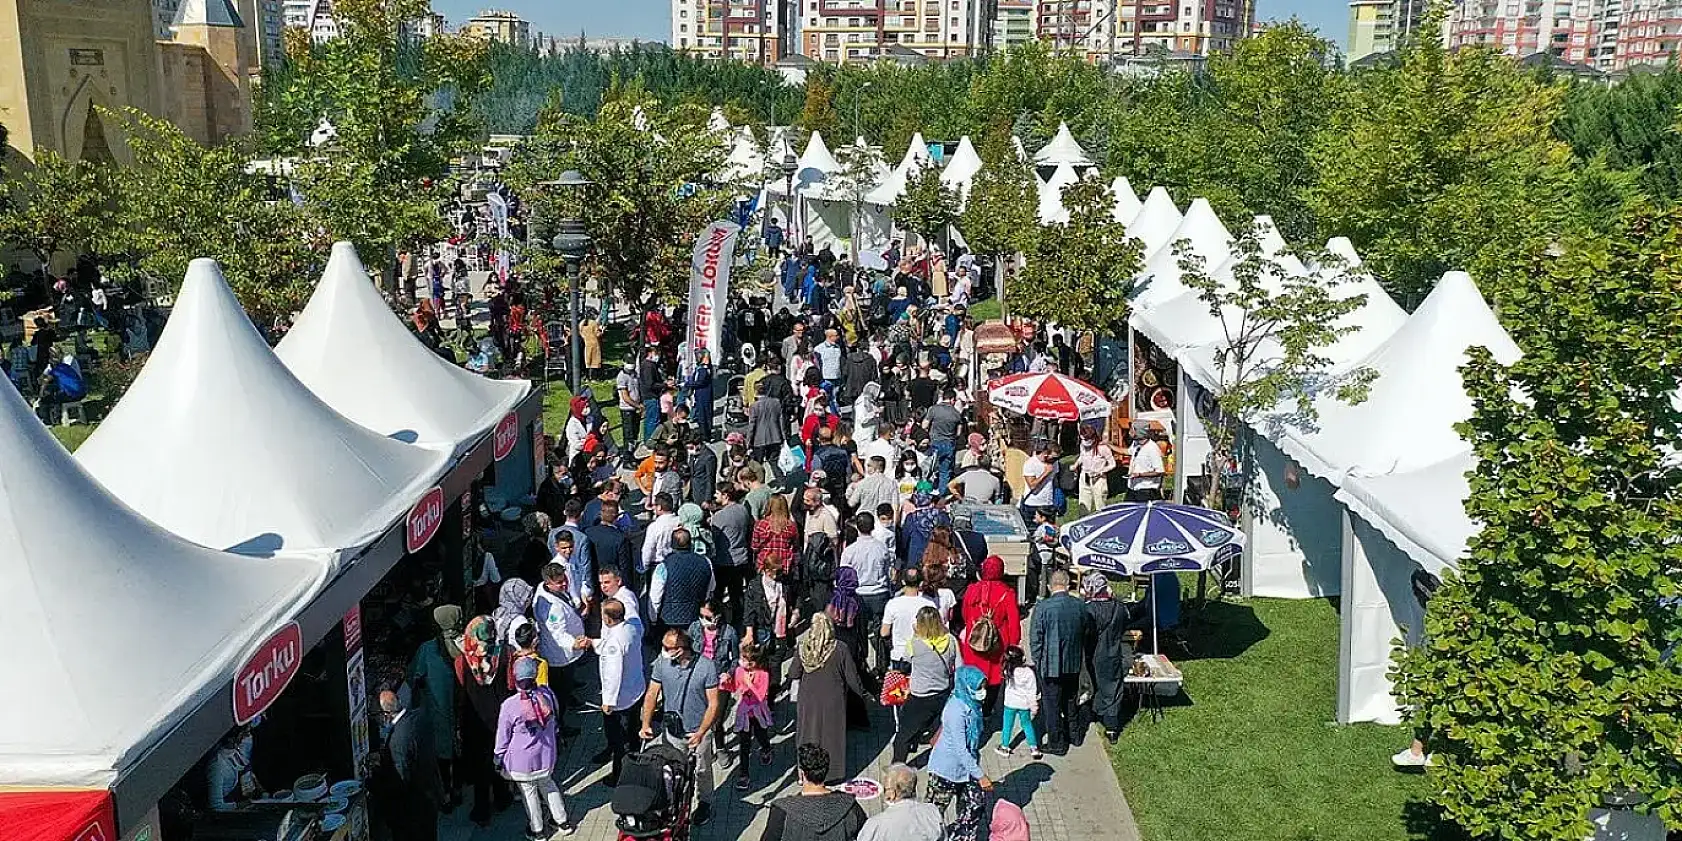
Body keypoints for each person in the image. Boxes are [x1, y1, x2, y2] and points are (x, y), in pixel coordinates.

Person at [640, 629, 722, 825]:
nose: (664, 651)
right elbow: (652, 694)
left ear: (681, 649)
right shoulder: (662, 663)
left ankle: (704, 802)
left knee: (702, 770)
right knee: (672, 769)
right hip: (673, 730)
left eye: (668, 648)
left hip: (698, 732)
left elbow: (713, 703)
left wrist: (702, 732)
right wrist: (645, 723)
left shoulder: (706, 667)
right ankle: (673, 803)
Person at [494, 658, 575, 839]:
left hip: (521, 763)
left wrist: (498, 758)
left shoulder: (510, 705)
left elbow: (502, 738)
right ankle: (563, 822)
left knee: (529, 794)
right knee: (549, 785)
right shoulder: (547, 695)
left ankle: (537, 831)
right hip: (546, 757)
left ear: (515, 678)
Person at [788, 612, 867, 783]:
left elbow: (793, 672)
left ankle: (804, 773)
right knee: (831, 737)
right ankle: (831, 774)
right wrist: (860, 697)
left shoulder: (803, 647)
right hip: (834, 700)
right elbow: (852, 679)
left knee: (807, 735)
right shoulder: (840, 648)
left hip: (808, 699)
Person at [454, 616, 515, 824]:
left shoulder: (463, 661)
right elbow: (509, 684)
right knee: (498, 758)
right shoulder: (504, 654)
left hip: (475, 720)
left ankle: (482, 811)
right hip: (500, 716)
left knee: (480, 766)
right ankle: (502, 797)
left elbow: (462, 690)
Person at [580, 597, 645, 784]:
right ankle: (635, 756)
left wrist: (608, 701)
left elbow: (613, 673)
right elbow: (610, 644)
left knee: (619, 740)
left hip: (621, 699)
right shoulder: (630, 628)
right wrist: (593, 643)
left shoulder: (614, 642)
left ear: (608, 619)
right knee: (632, 731)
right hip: (635, 689)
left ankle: (620, 774)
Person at [925, 666, 994, 841]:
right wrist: (980, 775)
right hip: (946, 770)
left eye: (983, 687)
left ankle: (960, 837)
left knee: (975, 806)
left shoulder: (973, 704)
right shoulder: (955, 710)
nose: (983, 692)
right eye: (979, 688)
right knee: (932, 815)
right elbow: (960, 749)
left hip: (966, 769)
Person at [1029, 570, 1091, 754]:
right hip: (1073, 662)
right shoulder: (1079, 606)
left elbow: (1035, 639)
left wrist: (1038, 663)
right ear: (1068, 585)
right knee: (1071, 700)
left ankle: (1056, 742)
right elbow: (1086, 631)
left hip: (1050, 666)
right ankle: (1075, 735)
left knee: (1052, 705)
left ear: (1049, 586)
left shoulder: (1043, 607)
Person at [408, 606, 463, 811]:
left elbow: (413, 675)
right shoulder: (468, 644)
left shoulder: (428, 649)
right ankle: (459, 788)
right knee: (460, 751)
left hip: (439, 712)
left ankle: (446, 794)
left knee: (441, 756)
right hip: (464, 710)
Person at [759, 743, 868, 841]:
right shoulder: (849, 806)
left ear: (802, 774)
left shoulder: (781, 811)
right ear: (825, 772)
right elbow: (868, 834)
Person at [892, 606, 958, 764]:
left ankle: (897, 768)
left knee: (902, 736)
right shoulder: (950, 640)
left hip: (919, 697)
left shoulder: (914, 644)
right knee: (935, 729)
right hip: (942, 694)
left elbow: (904, 664)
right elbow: (959, 666)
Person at [959, 554, 1022, 724]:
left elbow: (964, 614)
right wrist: (1014, 643)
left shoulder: (972, 589)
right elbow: (1014, 622)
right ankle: (987, 710)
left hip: (975, 639)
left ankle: (972, 706)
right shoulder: (1007, 593)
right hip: (997, 643)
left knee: (973, 675)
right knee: (994, 678)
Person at [377, 690, 446, 841]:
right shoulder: (420, 717)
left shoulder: (397, 741)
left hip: (414, 805)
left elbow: (401, 778)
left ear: (386, 714)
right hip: (430, 792)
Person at [1082, 571, 1139, 743]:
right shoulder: (1119, 608)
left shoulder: (1088, 610)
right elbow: (1125, 624)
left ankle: (1092, 714)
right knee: (1113, 689)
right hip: (1112, 653)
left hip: (1092, 655)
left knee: (1092, 685)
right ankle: (1112, 728)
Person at [841, 512, 895, 677]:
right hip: (879, 593)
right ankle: (881, 666)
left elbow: (844, 577)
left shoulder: (850, 551)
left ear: (857, 527)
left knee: (859, 633)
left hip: (858, 595)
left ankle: (861, 665)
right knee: (880, 633)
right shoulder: (882, 548)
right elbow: (888, 569)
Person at [651, 528, 715, 640]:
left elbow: (655, 596)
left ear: (672, 544)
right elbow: (710, 588)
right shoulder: (706, 562)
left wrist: (653, 618)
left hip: (669, 618)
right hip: (695, 615)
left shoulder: (663, 566)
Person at [730, 642, 776, 790]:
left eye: (749, 662)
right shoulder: (739, 671)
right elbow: (734, 687)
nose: (745, 664)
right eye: (743, 660)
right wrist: (725, 683)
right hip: (744, 712)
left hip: (758, 711)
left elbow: (761, 695)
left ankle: (766, 748)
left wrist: (750, 684)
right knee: (744, 744)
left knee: (760, 734)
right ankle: (744, 774)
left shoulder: (763, 675)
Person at [857, 764, 945, 841]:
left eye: (885, 789)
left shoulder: (875, 825)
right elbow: (943, 837)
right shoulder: (932, 812)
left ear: (892, 794)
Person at [711, 484, 755, 627]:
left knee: (717, 594)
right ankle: (738, 621)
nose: (715, 496)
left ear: (726, 496)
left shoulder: (719, 517)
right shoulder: (743, 510)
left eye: (717, 494)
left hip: (724, 561)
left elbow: (714, 539)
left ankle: (719, 621)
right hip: (741, 558)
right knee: (736, 594)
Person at [996, 646, 1042, 759]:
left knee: (1007, 725)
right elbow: (1032, 692)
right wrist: (1034, 706)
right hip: (1024, 704)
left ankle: (1005, 747)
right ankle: (1034, 748)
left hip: (1010, 704)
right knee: (1027, 724)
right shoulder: (1029, 673)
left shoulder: (1007, 671)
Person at [206, 725, 265, 811]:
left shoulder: (235, 751)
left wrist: (262, 791)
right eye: (242, 735)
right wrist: (240, 805)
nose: (244, 737)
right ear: (231, 739)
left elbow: (246, 768)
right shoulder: (217, 767)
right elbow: (216, 806)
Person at [924, 389, 964, 489]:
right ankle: (942, 496)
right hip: (949, 445)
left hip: (934, 443)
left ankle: (925, 492)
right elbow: (958, 433)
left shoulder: (933, 409)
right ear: (952, 399)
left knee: (928, 470)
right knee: (945, 473)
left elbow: (924, 425)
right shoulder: (957, 414)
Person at [752, 493, 800, 576]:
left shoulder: (761, 524)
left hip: (765, 564)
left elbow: (755, 547)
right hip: (784, 565)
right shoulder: (791, 525)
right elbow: (796, 546)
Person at [640, 492, 682, 577]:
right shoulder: (679, 521)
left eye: (654, 505)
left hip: (658, 565)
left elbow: (648, 549)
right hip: (677, 563)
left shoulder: (654, 527)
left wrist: (645, 566)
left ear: (659, 507)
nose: (653, 508)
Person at [1076, 427, 1116, 514]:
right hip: (1084, 476)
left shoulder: (1103, 448)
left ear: (1093, 438)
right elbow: (1082, 456)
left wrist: (1101, 471)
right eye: (1083, 439)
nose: (1084, 442)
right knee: (1083, 504)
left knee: (1100, 505)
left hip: (1099, 479)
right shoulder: (1082, 445)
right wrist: (1076, 464)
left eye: (1087, 439)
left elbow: (1113, 464)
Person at [1019, 444, 1059, 523]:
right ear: (1045, 454)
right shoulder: (1030, 463)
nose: (1055, 460)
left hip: (1048, 503)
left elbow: (1054, 481)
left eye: (1057, 458)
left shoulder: (1055, 463)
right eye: (1054, 458)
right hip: (1033, 504)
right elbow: (1032, 485)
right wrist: (1045, 472)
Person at [1127, 426, 1166, 502]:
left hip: (1146, 491)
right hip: (1133, 488)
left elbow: (1160, 471)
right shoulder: (1136, 443)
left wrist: (1139, 475)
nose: (1129, 432)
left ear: (1139, 432)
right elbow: (1128, 451)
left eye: (1132, 430)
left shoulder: (1152, 448)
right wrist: (1109, 445)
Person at [687, 349, 717, 440]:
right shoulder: (701, 368)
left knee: (703, 415)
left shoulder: (704, 369)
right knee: (704, 414)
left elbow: (700, 382)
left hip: (703, 396)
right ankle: (705, 433)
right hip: (701, 395)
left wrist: (687, 384)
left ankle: (705, 435)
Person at [616, 362, 641, 455]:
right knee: (628, 434)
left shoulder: (634, 373)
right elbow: (625, 397)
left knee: (635, 432)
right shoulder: (621, 377)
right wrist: (638, 406)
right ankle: (627, 456)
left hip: (635, 408)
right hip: (627, 409)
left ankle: (632, 451)